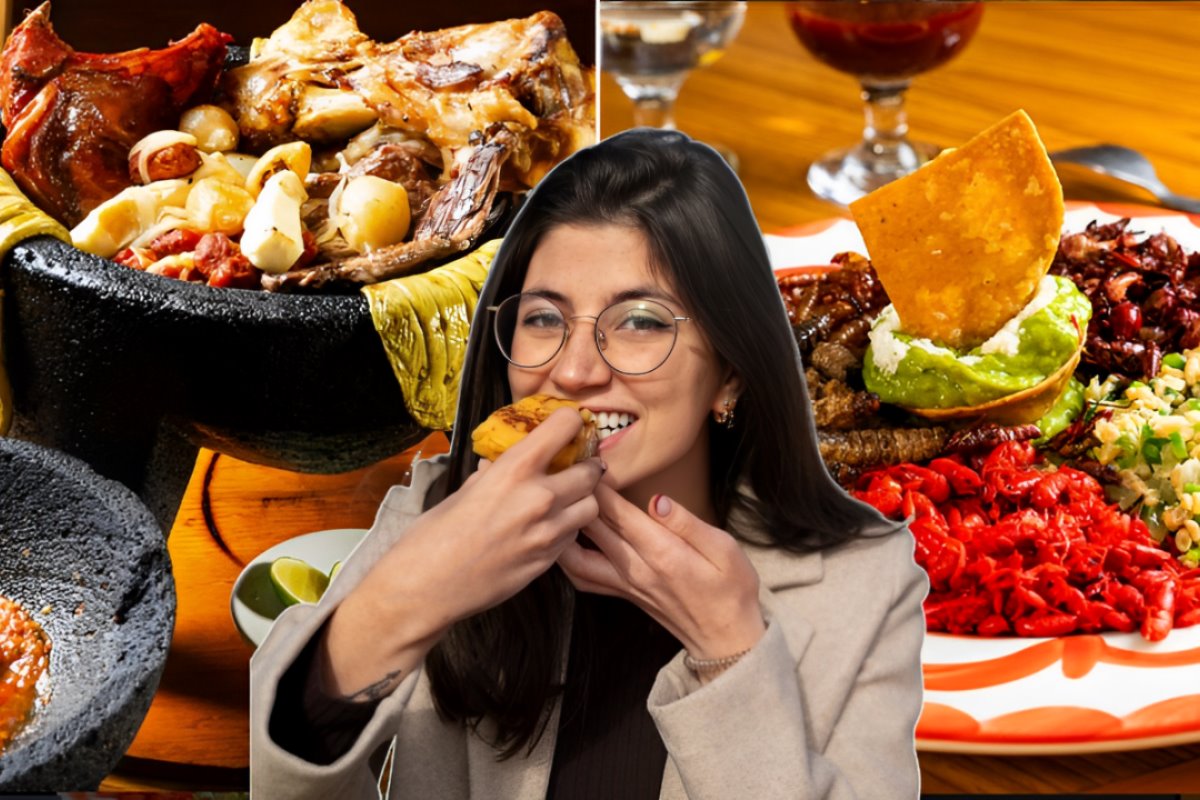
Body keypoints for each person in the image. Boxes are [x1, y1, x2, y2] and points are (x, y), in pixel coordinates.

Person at [250, 128, 927, 799]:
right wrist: (406, 598)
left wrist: (732, 653)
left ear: (730, 374)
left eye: (639, 322)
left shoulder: (867, 582)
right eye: (544, 318)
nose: (572, 372)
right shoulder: (442, 513)